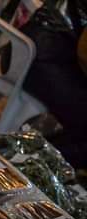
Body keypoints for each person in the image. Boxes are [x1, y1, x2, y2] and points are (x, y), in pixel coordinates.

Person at [17, 0, 87, 171]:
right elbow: (85, 53)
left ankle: (32, 162)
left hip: (45, 48)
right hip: (41, 54)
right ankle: (25, 166)